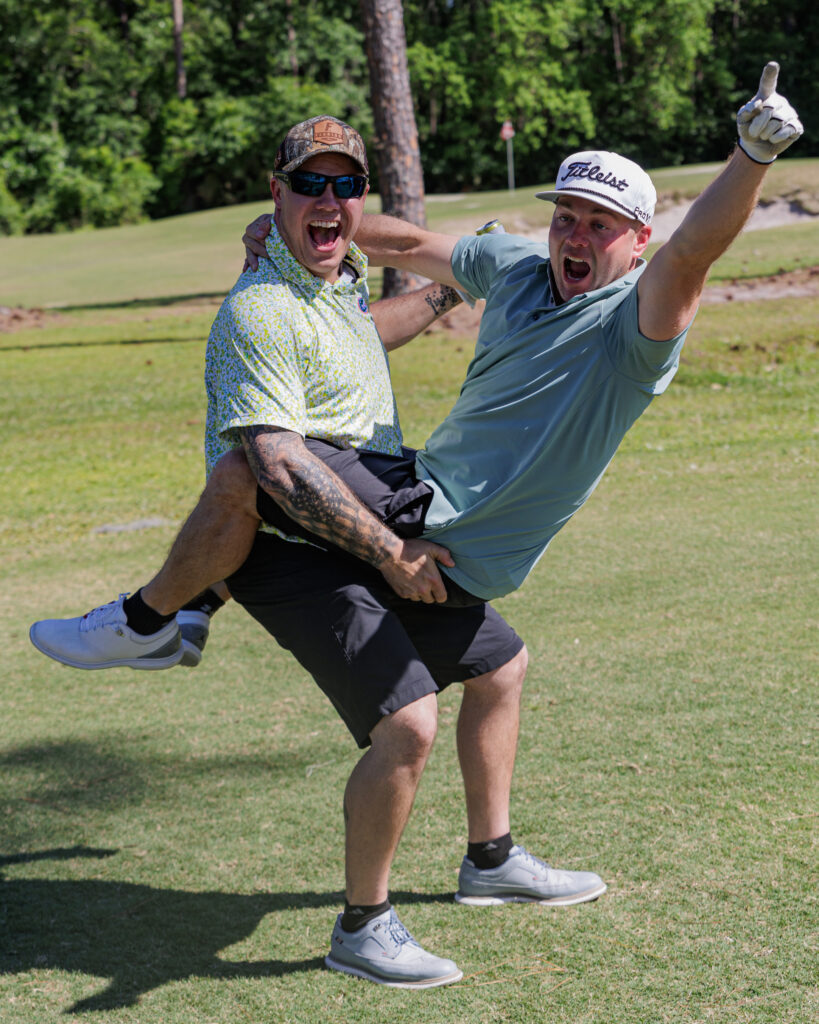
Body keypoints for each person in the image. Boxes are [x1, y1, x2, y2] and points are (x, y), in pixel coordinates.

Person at [31, 113, 608, 990]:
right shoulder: (260, 308)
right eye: (309, 184)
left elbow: (368, 335)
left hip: (362, 514)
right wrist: (389, 554)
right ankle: (362, 927)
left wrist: (451, 291)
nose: (329, 199)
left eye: (345, 185)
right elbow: (274, 466)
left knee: (500, 667)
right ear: (278, 192)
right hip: (288, 541)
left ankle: (490, 860)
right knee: (407, 724)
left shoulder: (333, 285)